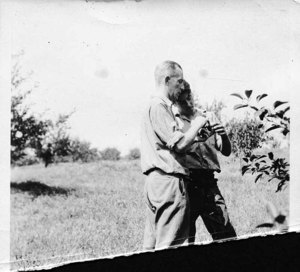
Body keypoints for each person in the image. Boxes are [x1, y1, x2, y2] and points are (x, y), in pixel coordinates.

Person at [140, 61, 209, 250]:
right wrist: (198, 124)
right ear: (167, 79)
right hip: (168, 182)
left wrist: (194, 139)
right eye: (179, 81)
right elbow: (178, 145)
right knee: (171, 245)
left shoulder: (154, 106)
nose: (182, 86)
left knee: (151, 245)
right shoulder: (159, 106)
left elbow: (167, 144)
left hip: (156, 182)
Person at [172, 80, 236, 243]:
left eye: (189, 97)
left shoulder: (207, 116)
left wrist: (223, 134)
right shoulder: (174, 121)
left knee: (225, 232)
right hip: (187, 183)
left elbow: (226, 151)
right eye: (183, 100)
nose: (188, 102)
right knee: (186, 236)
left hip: (209, 183)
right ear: (175, 101)